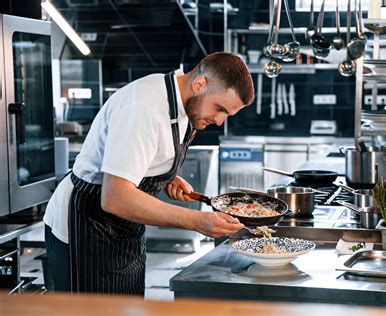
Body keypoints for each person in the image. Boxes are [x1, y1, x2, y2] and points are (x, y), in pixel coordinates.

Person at [43, 52, 254, 295]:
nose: (219, 121)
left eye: (227, 114)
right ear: (200, 84)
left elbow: (138, 155)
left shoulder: (183, 103)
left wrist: (163, 176)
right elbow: (115, 197)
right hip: (87, 223)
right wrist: (198, 221)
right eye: (219, 108)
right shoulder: (145, 106)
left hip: (123, 230)